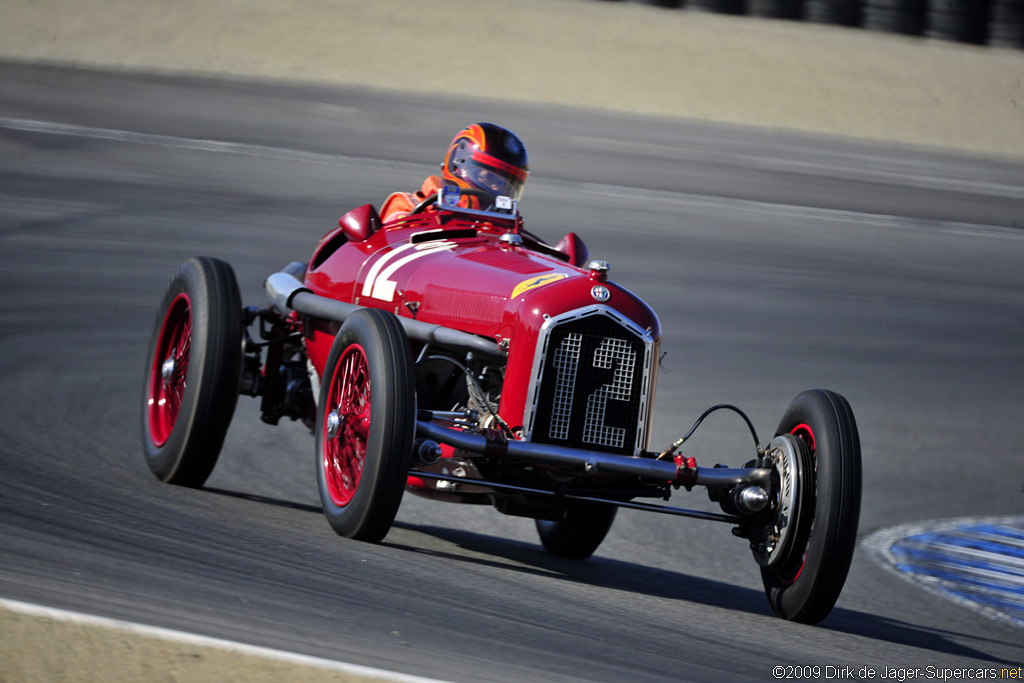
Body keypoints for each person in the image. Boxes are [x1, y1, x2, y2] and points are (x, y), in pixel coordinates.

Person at [380, 123, 530, 222]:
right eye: (489, 177)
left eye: (506, 184)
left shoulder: (509, 228)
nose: (498, 188)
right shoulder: (408, 208)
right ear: (458, 166)